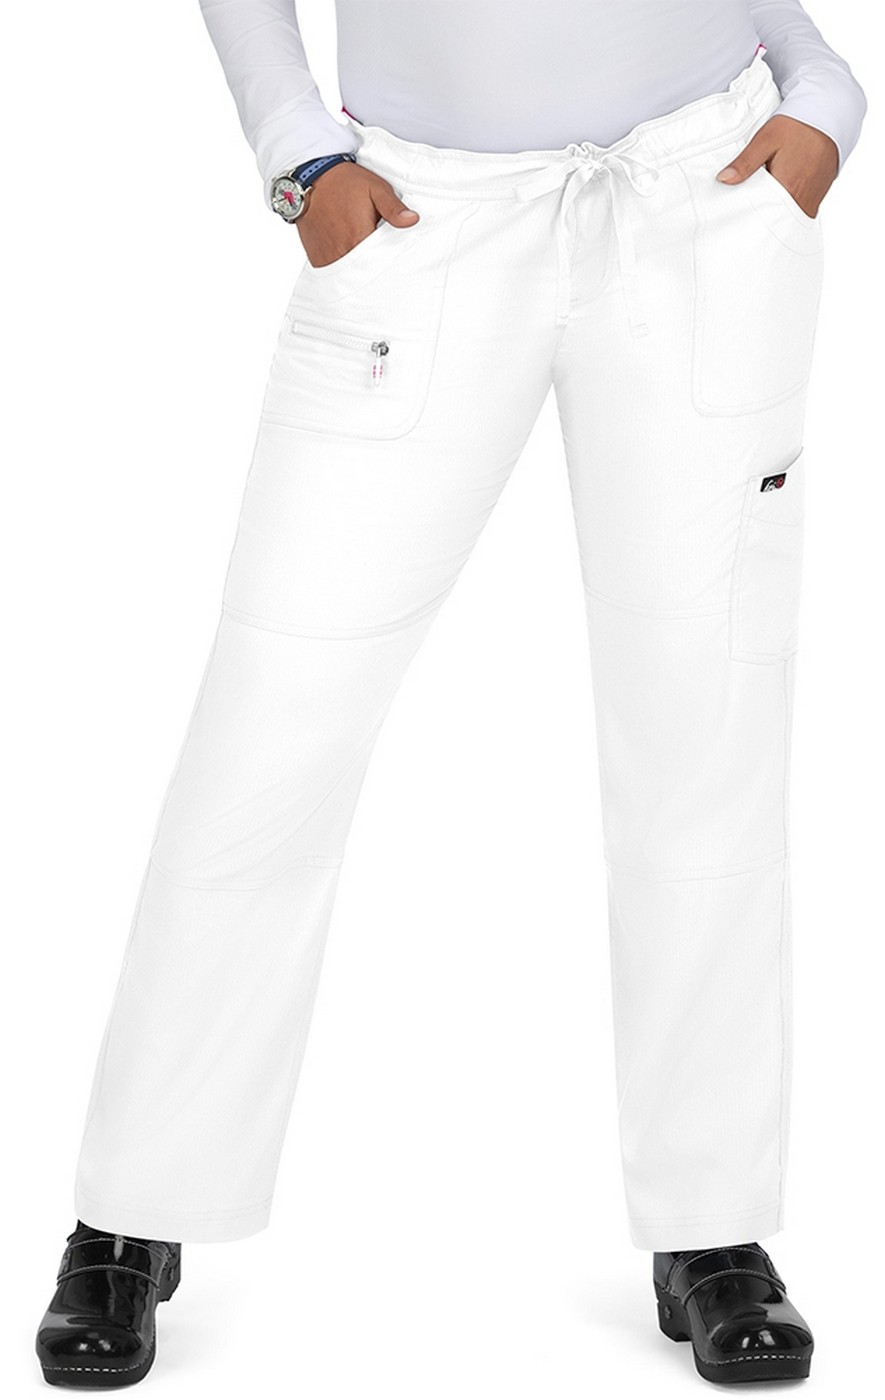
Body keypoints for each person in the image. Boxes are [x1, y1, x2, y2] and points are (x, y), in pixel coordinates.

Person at [35, 1, 866, 1388]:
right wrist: (298, 152)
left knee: (705, 725)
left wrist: (820, 87)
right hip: (421, 215)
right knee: (270, 724)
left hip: (706, 197)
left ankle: (711, 1223)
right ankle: (132, 1212)